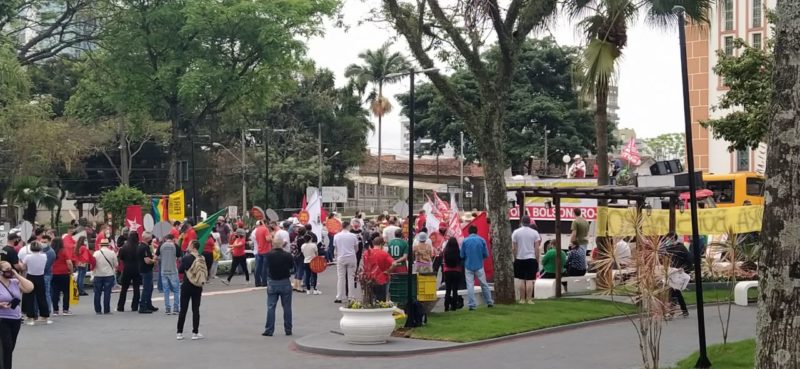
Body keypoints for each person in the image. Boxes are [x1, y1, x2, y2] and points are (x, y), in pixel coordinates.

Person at [1, 261, 34, 369]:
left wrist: (17, 275)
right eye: (7, 270)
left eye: (11, 269)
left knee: (10, 347)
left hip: (16, 318)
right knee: (7, 345)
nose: (9, 271)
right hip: (2, 318)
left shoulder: (15, 281)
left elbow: (29, 288)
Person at [263, 237, 293, 337]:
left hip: (272, 282)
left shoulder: (268, 255)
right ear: (282, 244)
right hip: (285, 281)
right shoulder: (288, 255)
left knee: (271, 307)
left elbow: (265, 267)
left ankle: (269, 330)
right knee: (287, 307)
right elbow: (292, 267)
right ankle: (288, 329)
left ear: (273, 244)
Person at [460, 226, 494, 310]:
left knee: (470, 285)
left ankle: (472, 305)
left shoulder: (465, 241)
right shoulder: (482, 240)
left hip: (468, 265)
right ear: (476, 231)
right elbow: (486, 254)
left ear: (469, 232)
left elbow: (462, 255)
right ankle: (489, 301)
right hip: (479, 265)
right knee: (484, 284)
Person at [177, 241, 204, 340]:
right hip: (197, 285)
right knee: (195, 309)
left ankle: (179, 332)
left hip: (186, 285)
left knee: (183, 309)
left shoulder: (186, 258)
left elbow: (180, 270)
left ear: (192, 246)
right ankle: (195, 333)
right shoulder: (201, 258)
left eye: (189, 245)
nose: (187, 246)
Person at [512, 216, 541, 304]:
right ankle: (529, 299)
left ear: (521, 222)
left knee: (521, 279)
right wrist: (537, 259)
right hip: (531, 258)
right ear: (530, 223)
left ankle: (522, 299)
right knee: (529, 280)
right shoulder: (535, 233)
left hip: (520, 258)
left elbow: (514, 248)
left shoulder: (516, 232)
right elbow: (537, 248)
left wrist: (515, 257)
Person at [21, 241, 51, 325]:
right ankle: (45, 316)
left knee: (29, 297)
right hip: (40, 276)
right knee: (42, 297)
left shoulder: (28, 257)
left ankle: (31, 317)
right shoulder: (44, 256)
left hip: (30, 277)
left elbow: (23, 267)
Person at [663, 234, 692, 318]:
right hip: (670, 272)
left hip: (678, 273)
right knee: (676, 292)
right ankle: (683, 310)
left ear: (673, 238)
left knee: (673, 291)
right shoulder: (667, 249)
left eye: (668, 239)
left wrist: (685, 269)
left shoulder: (681, 248)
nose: (667, 241)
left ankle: (671, 312)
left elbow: (689, 259)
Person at [361, 237, 396, 303]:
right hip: (381, 279)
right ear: (381, 244)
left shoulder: (366, 253)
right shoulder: (384, 254)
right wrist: (388, 271)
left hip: (369, 279)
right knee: (381, 301)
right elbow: (394, 263)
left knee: (370, 300)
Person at [333, 221, 358, 303]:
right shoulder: (353, 236)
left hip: (341, 257)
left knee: (340, 277)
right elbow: (356, 248)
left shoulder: (336, 236)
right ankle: (351, 297)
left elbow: (335, 249)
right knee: (351, 277)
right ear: (348, 226)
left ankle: (339, 296)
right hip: (351, 257)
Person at [91, 239, 118, 315]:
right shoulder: (112, 253)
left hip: (98, 274)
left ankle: (98, 310)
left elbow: (93, 263)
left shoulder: (96, 253)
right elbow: (116, 264)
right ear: (108, 245)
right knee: (107, 293)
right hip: (109, 274)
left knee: (97, 293)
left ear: (100, 245)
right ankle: (106, 309)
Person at [117, 232, 141, 312]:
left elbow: (121, 257)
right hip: (137, 268)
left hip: (127, 268)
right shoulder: (138, 246)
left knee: (124, 288)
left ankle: (120, 306)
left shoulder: (124, 247)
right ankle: (134, 306)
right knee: (136, 288)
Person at [157, 234, 181, 315]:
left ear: (166, 238)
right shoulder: (175, 246)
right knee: (176, 290)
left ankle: (167, 309)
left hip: (164, 270)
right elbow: (179, 257)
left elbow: (157, 256)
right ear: (173, 239)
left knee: (166, 290)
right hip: (173, 270)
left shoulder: (161, 246)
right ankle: (176, 308)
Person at [50, 236, 73, 316]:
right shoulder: (63, 251)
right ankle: (65, 310)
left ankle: (55, 310)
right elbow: (69, 262)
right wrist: (71, 271)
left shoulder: (51, 251)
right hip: (64, 273)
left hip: (53, 273)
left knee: (55, 292)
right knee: (66, 292)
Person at [136, 232, 158, 314]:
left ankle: (148, 304)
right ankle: (143, 306)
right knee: (147, 288)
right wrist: (154, 261)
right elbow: (147, 260)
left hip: (144, 269)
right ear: (146, 239)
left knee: (150, 287)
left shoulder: (141, 246)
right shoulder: (144, 248)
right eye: (150, 239)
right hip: (146, 270)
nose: (151, 240)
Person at [442, 237, 463, 311]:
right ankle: (454, 306)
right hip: (456, 271)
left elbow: (444, 261)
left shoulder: (445, 251)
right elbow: (460, 260)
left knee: (448, 290)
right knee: (455, 290)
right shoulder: (458, 251)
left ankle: (446, 306)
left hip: (447, 271)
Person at [254, 221, 271, 287]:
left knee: (258, 267)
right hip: (266, 250)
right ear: (262, 223)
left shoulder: (257, 230)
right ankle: (264, 282)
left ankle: (257, 282)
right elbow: (268, 239)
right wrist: (272, 237)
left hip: (259, 250)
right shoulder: (265, 229)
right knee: (265, 267)